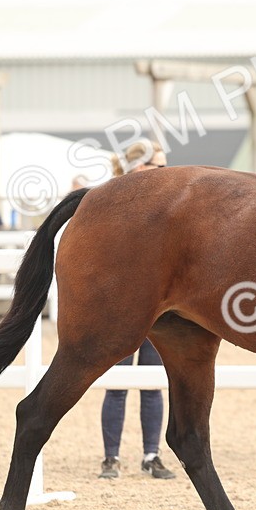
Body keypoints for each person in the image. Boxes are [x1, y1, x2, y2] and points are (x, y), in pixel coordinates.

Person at [99, 140, 175, 480]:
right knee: (117, 384)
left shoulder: (168, 204)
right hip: (121, 309)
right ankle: (111, 458)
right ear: (141, 168)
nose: (166, 171)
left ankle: (151, 455)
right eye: (159, 166)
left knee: (152, 383)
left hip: (156, 309)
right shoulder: (113, 202)